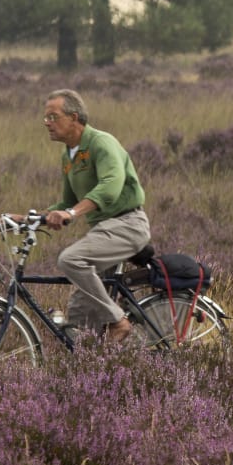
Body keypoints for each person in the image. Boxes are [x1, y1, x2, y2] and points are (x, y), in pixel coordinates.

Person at [16, 88, 150, 345]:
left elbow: (110, 187)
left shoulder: (101, 143)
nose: (47, 123)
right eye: (46, 118)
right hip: (104, 230)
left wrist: (71, 213)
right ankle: (105, 367)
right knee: (77, 320)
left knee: (71, 260)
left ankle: (119, 322)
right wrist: (27, 219)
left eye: (53, 117)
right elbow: (67, 202)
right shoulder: (68, 156)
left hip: (127, 225)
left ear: (74, 117)